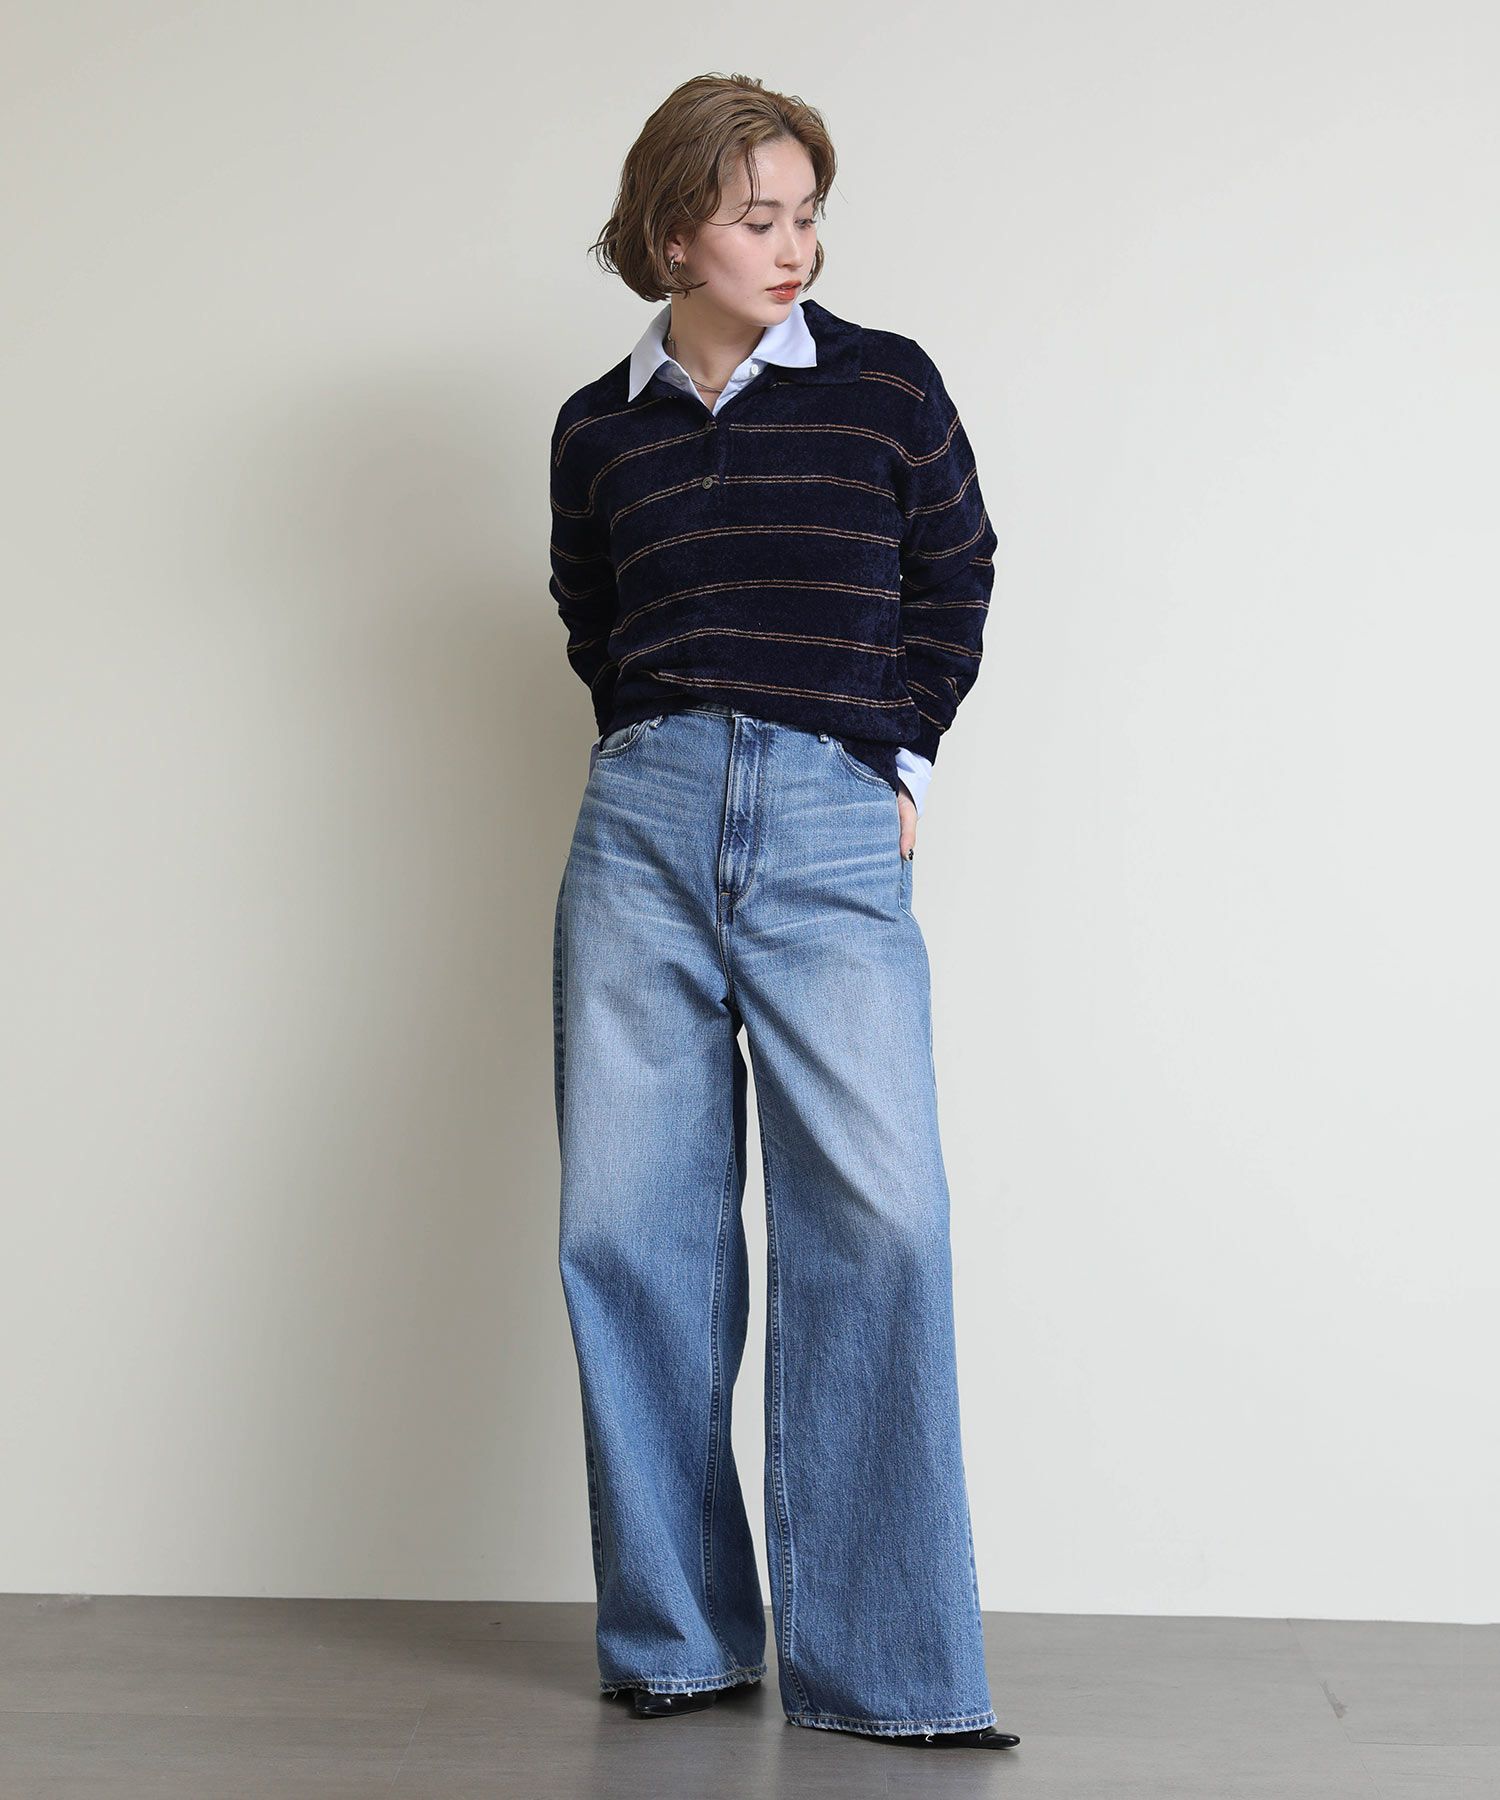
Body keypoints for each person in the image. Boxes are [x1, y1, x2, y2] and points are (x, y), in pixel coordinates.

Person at [548, 71, 1020, 1752]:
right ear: (673, 231)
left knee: (881, 1219)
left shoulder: (885, 388)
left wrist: (896, 758)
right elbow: (592, 614)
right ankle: (677, 1641)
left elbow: (957, 573)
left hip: (829, 817)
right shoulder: (598, 427)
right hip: (642, 829)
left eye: (808, 213)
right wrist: (668, 754)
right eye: (758, 217)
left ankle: (884, 1669)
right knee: (632, 1231)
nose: (794, 244)